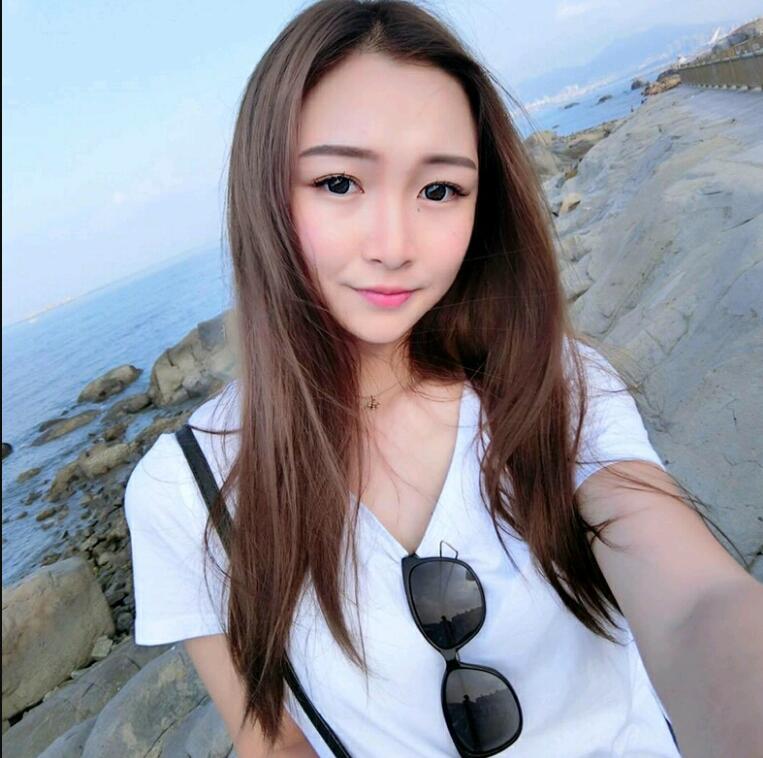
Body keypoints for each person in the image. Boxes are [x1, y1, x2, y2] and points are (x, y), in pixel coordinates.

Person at [124, 1, 763, 756]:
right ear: (262, 192)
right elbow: (276, 743)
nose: (393, 246)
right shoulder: (186, 491)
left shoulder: (552, 383)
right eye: (338, 182)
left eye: (439, 190)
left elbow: (695, 604)